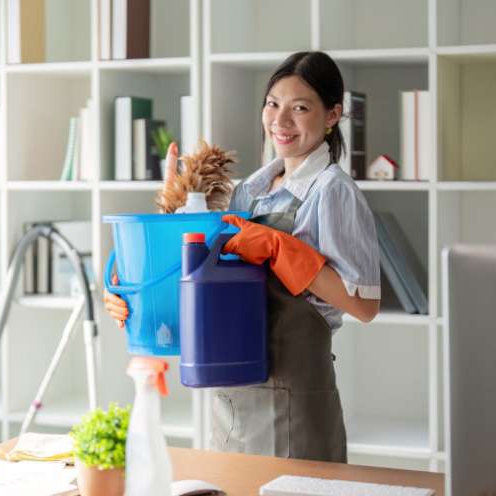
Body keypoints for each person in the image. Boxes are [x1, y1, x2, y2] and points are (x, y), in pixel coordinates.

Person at [104, 51, 381, 463]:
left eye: (300, 108)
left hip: (294, 400)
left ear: (331, 115)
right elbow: (211, 286)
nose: (280, 121)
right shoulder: (250, 191)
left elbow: (364, 304)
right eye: (273, 104)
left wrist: (278, 248)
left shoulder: (331, 191)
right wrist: (135, 298)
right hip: (230, 396)